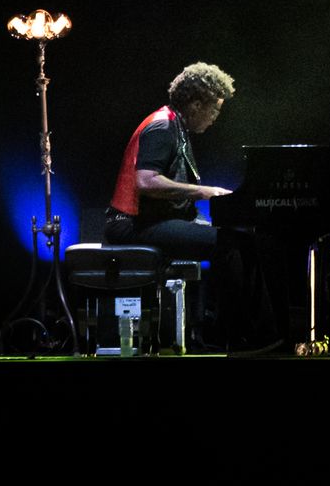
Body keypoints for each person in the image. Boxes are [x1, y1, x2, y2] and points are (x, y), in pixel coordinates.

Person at [105, 62, 280, 352]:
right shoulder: (162, 126)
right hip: (131, 224)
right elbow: (146, 181)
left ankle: (255, 333)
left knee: (243, 241)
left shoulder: (177, 126)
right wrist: (203, 191)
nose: (215, 118)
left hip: (151, 220)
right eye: (215, 110)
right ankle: (239, 337)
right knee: (230, 246)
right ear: (197, 104)